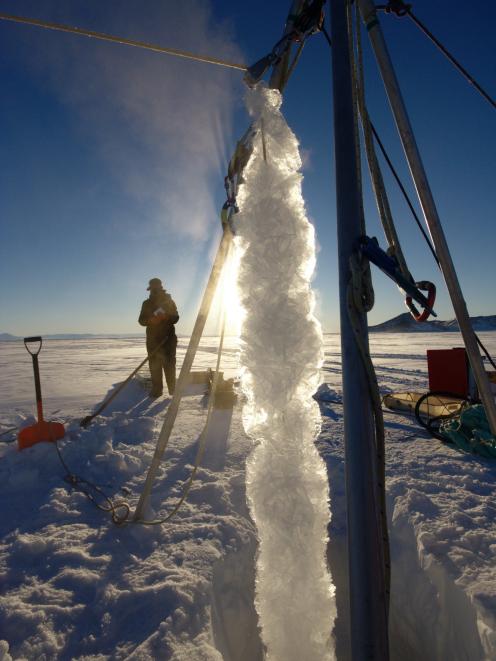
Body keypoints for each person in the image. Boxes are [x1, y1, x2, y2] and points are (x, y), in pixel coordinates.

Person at [138, 278, 179, 397]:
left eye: (157, 288)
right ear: (150, 289)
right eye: (153, 289)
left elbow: (176, 317)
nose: (154, 291)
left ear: (161, 288)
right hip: (152, 341)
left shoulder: (169, 301)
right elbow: (141, 320)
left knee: (170, 365)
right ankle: (157, 390)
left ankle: (173, 390)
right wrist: (151, 320)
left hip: (168, 339)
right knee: (154, 365)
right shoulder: (146, 303)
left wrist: (166, 317)